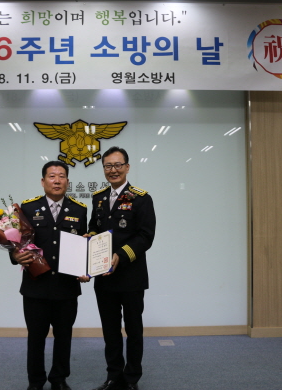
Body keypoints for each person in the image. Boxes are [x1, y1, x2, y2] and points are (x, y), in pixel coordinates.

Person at [11, 160, 89, 390]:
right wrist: (15, 256)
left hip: (66, 287)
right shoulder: (28, 208)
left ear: (68, 181)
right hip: (36, 286)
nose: (57, 181)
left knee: (64, 337)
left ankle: (59, 379)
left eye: (62, 176)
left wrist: (87, 269)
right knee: (36, 337)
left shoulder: (79, 209)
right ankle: (35, 381)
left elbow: (84, 244)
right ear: (43, 181)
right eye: (52, 176)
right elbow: (16, 243)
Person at [87, 147, 156, 390]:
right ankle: (114, 376)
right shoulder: (98, 198)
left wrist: (121, 255)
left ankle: (132, 378)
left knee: (134, 330)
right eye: (108, 166)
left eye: (118, 165)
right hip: (104, 277)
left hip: (131, 276)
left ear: (127, 167)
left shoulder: (142, 198)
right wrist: (89, 238)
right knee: (110, 330)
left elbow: (146, 236)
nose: (113, 170)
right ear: (103, 169)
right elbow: (94, 227)